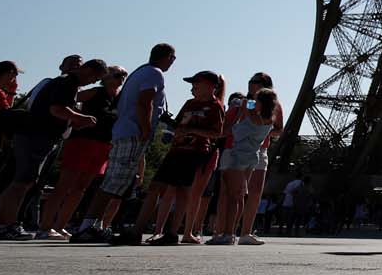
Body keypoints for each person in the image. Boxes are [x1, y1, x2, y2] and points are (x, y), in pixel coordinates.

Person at [0, 58, 104, 239]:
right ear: (87, 70)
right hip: (37, 136)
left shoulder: (63, 83)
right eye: (94, 77)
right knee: (23, 182)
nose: (93, 82)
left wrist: (73, 123)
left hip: (34, 134)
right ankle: (6, 224)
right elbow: (57, 109)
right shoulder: (67, 84)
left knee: (20, 182)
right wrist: (81, 118)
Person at [71, 43, 176, 243]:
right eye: (173, 58)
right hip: (133, 133)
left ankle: (95, 226)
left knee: (116, 182)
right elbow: (145, 102)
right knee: (114, 182)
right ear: (168, 57)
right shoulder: (154, 73)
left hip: (124, 131)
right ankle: (87, 227)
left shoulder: (141, 71)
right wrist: (145, 130)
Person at [39, 64, 127, 238]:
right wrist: (78, 117)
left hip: (103, 144)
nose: (121, 78)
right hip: (82, 140)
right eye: (117, 74)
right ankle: (45, 226)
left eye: (124, 75)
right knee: (65, 184)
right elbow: (70, 99)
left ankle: (61, 225)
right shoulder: (95, 92)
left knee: (81, 188)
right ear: (106, 77)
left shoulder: (119, 98)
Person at [145, 70, 226, 245]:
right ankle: (158, 229)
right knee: (164, 189)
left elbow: (217, 133)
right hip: (177, 150)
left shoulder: (215, 106)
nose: (193, 86)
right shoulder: (189, 103)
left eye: (197, 82)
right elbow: (180, 124)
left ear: (211, 86)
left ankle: (175, 231)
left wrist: (192, 131)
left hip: (195, 151)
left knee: (183, 191)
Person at [208, 88, 280, 244]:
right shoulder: (268, 119)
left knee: (231, 196)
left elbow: (245, 110)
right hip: (251, 157)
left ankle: (227, 234)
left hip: (238, 156)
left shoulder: (253, 115)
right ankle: (231, 232)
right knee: (239, 195)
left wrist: (241, 105)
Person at [235, 72, 283, 243]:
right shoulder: (245, 102)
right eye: (250, 81)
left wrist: (265, 130)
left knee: (254, 192)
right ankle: (229, 229)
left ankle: (246, 231)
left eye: (254, 82)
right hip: (241, 149)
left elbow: (279, 128)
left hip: (260, 149)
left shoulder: (275, 105)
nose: (250, 84)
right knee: (238, 191)